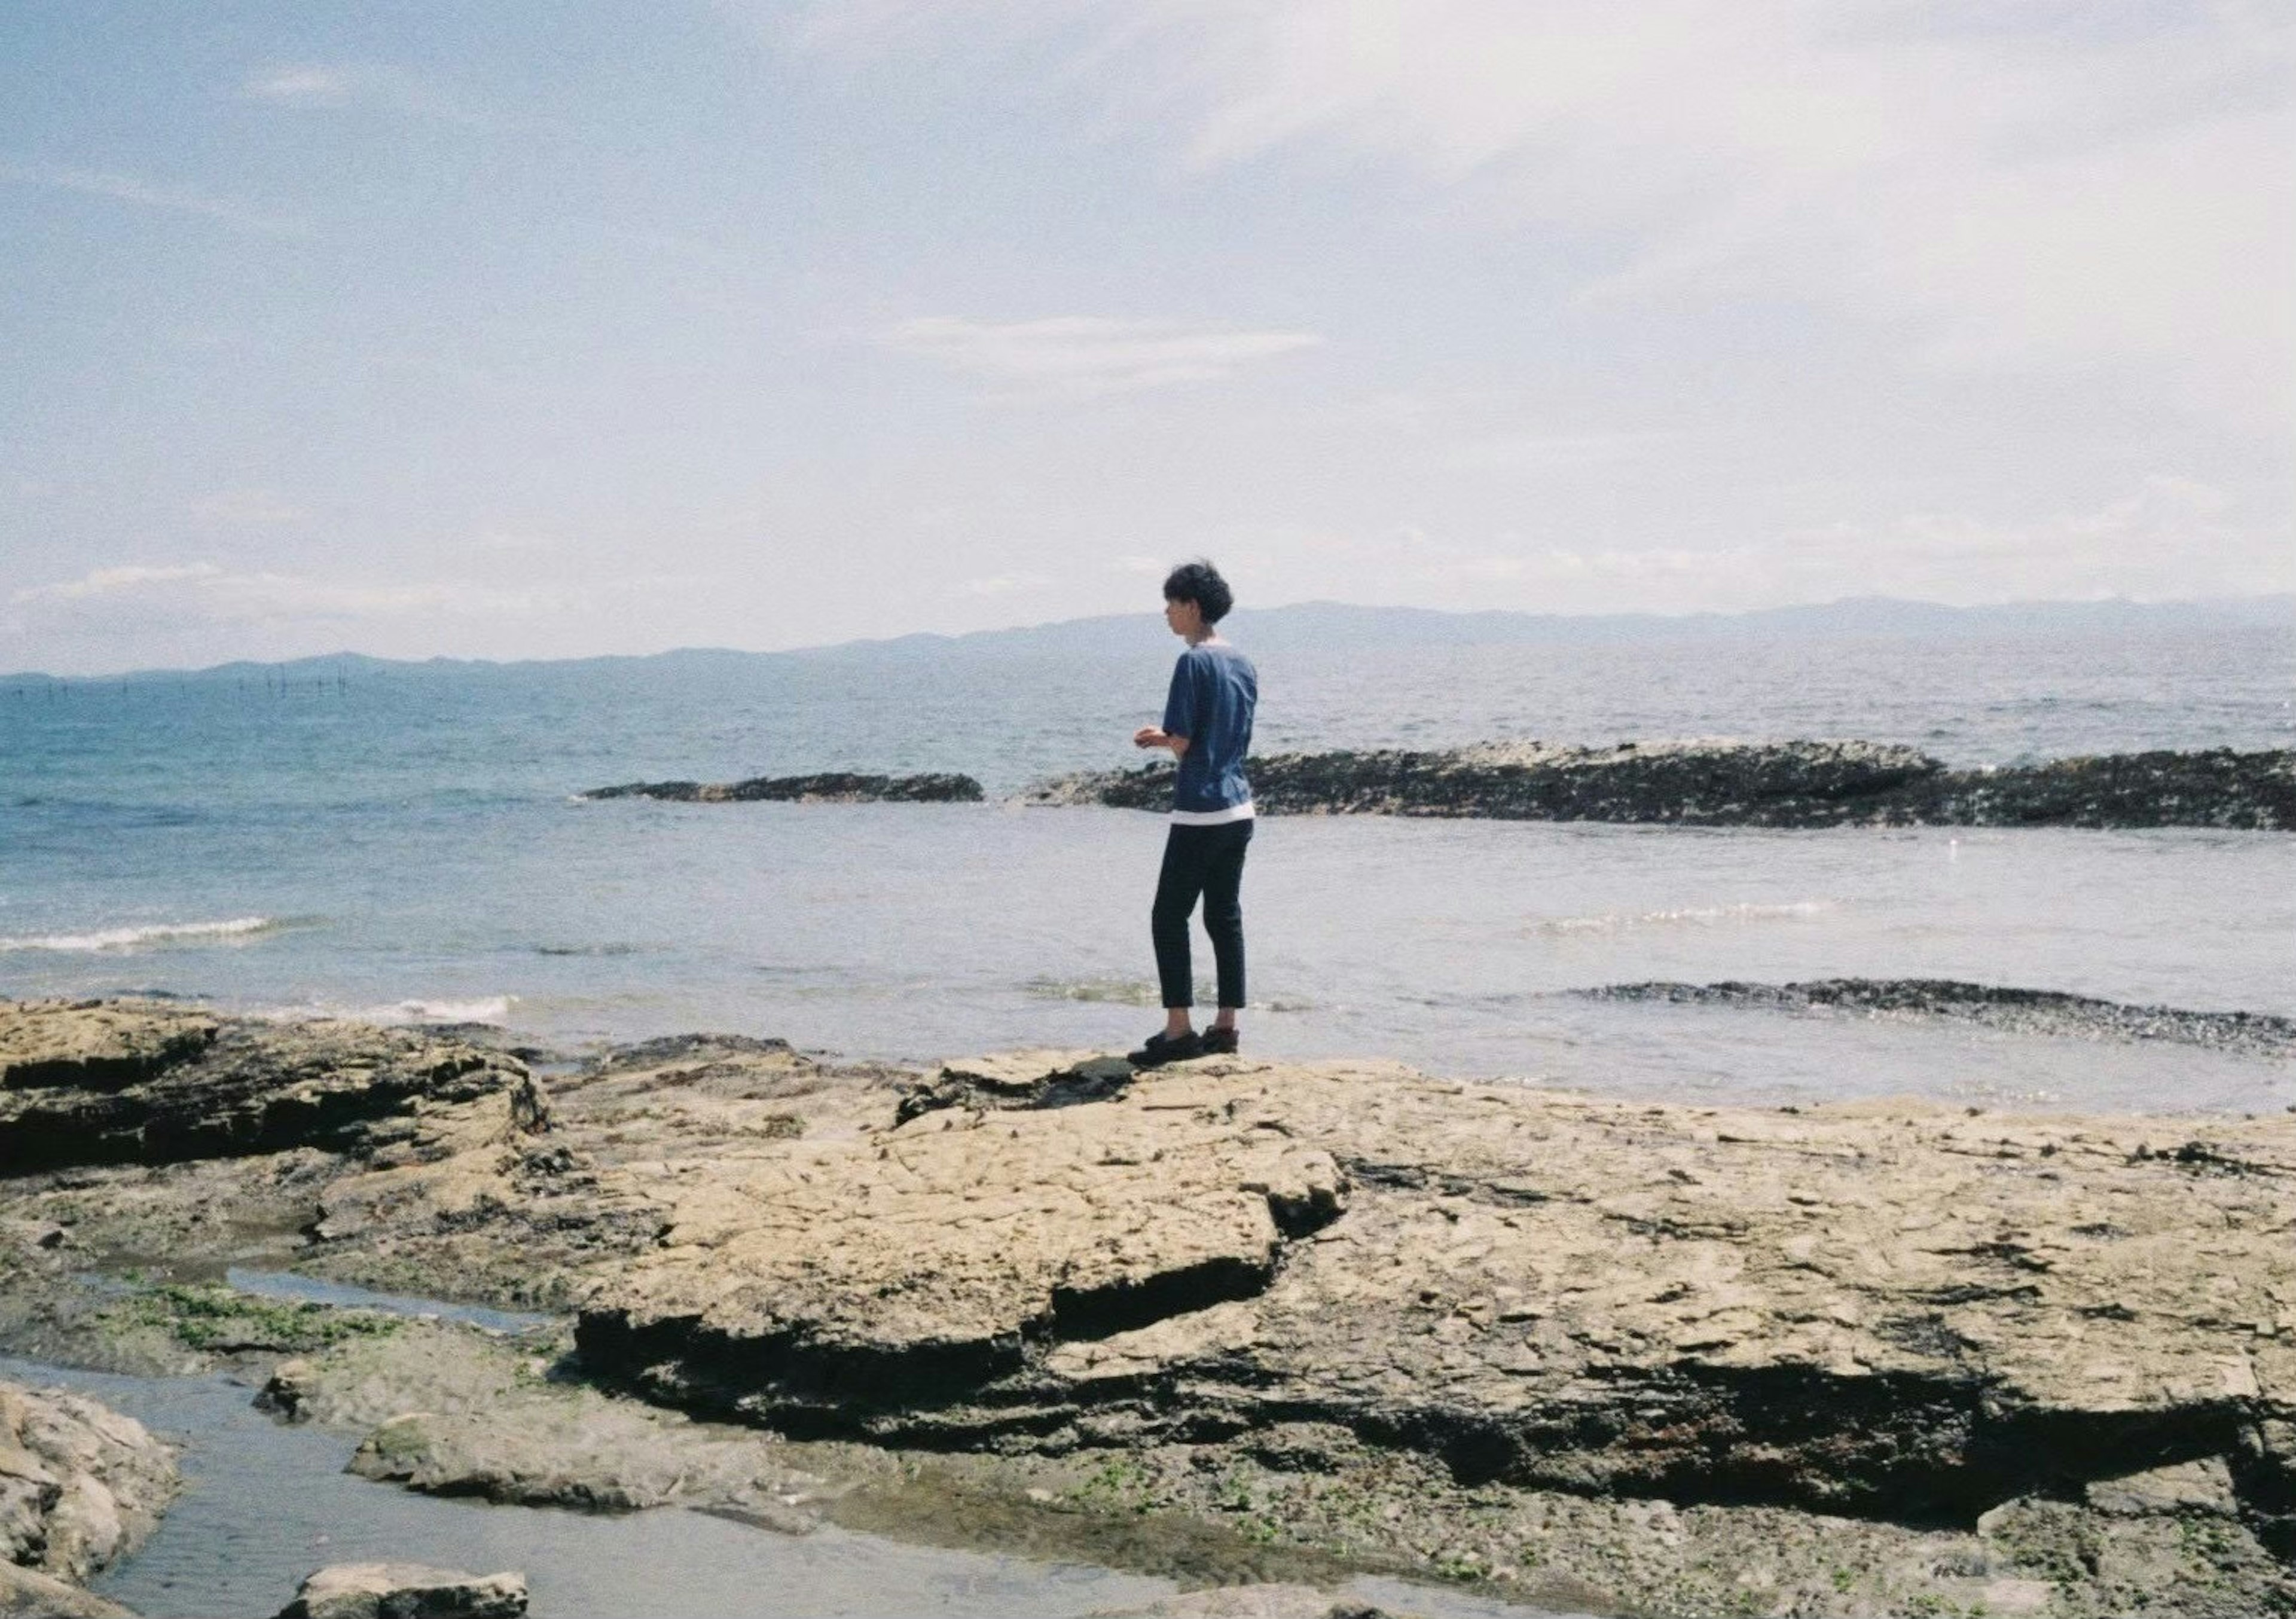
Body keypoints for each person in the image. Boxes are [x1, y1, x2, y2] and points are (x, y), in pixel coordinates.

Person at [1128, 560, 1257, 1068]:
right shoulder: (1243, 662)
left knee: (1168, 916)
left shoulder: (1193, 663)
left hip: (1200, 810)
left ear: (1193, 607)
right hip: (1239, 807)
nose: (1166, 613)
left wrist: (1156, 738)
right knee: (1224, 916)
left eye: (1172, 604)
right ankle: (1226, 1026)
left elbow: (1183, 741)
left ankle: (1179, 1030)